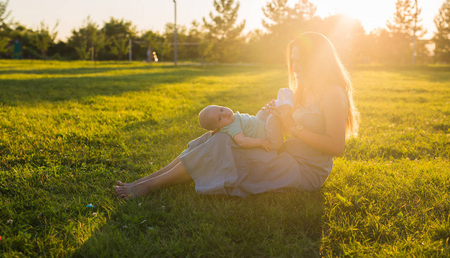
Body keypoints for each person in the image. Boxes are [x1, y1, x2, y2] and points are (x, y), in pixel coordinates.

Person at [115, 32, 359, 199]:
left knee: (224, 142)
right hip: (282, 152)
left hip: (304, 169)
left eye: (300, 61)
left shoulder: (333, 94)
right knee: (219, 134)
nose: (295, 67)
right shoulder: (304, 89)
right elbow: (281, 125)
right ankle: (151, 178)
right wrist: (273, 112)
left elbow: (336, 146)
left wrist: (293, 127)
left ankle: (150, 186)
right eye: (293, 61)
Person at [197, 88, 294, 152]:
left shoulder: (232, 119)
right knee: (272, 117)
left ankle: (278, 105)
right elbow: (242, 141)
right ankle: (285, 108)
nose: (224, 114)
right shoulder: (231, 127)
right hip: (271, 141)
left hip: (264, 127)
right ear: (217, 128)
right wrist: (261, 142)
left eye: (221, 109)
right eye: (219, 118)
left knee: (262, 113)